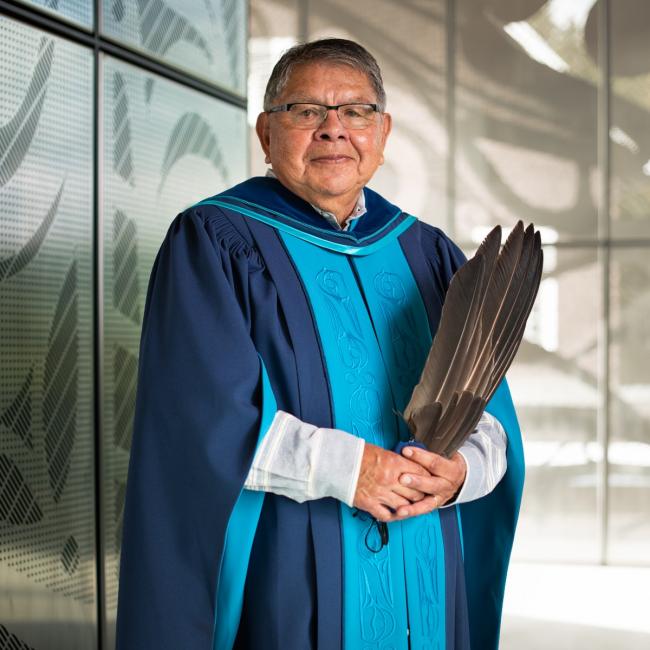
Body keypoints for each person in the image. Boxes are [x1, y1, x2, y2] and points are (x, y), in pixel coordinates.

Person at [115, 38, 524, 650]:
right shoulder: (216, 243)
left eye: (355, 112)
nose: (334, 129)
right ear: (265, 132)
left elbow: (490, 416)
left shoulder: (427, 253)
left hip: (426, 564)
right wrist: (350, 469)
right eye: (305, 111)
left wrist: (461, 471)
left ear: (382, 133)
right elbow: (198, 423)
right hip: (293, 569)